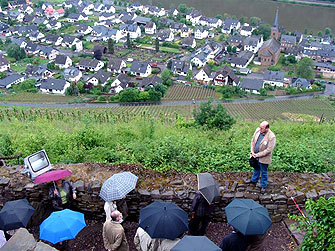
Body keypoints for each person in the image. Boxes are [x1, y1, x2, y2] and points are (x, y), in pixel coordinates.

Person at [246, 121, 276, 194]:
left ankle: (263, 185)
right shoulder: (257, 130)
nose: (260, 129)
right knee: (256, 168)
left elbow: (269, 150)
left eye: (262, 128)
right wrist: (252, 151)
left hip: (263, 158)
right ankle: (254, 180)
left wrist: (258, 155)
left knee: (264, 171)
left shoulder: (271, 137)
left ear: (267, 128)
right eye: (260, 127)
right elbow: (252, 141)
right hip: (254, 155)